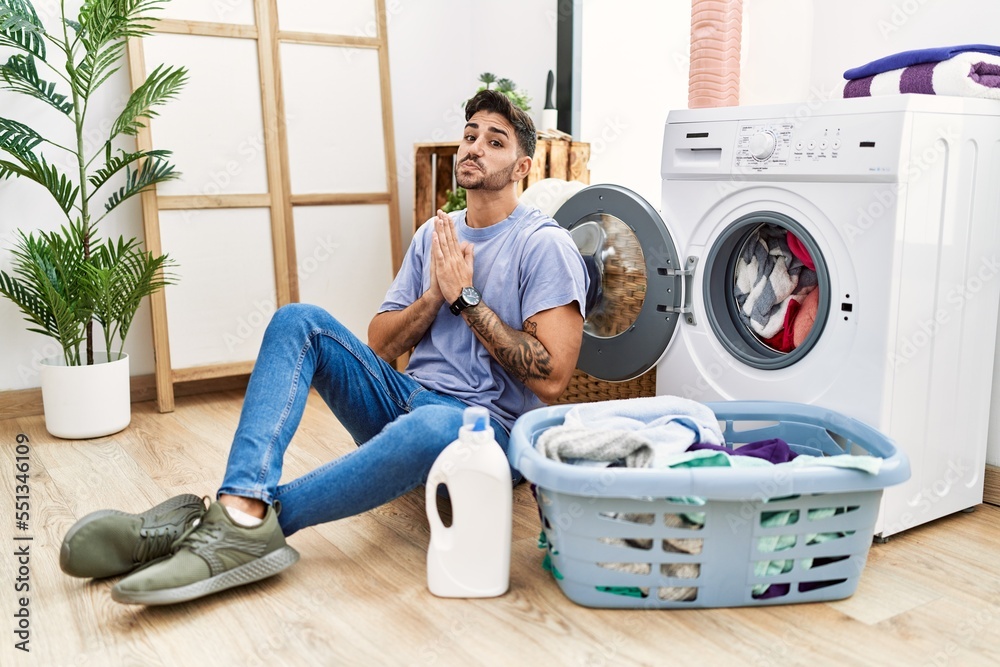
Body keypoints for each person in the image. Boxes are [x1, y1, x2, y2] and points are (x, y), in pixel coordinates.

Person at [58, 89, 590, 606]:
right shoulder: (437, 234)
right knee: (299, 320)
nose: (473, 147)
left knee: (433, 425)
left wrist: (467, 298)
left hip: (481, 431)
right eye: (469, 135)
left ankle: (225, 522)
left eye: (494, 141)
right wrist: (435, 295)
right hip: (404, 398)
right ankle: (242, 502)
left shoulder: (544, 245)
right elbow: (380, 345)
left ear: (522, 167)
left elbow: (551, 376)